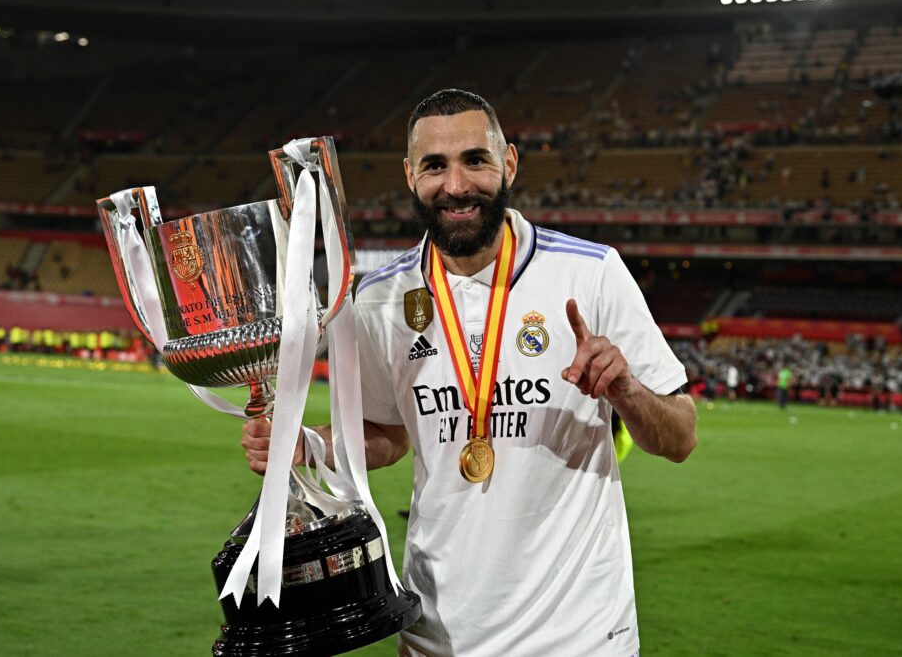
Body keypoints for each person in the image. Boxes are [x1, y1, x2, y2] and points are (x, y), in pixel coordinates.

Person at [242, 89, 697, 657]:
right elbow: (386, 435)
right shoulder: (382, 299)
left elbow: (680, 437)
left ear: (508, 162)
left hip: (580, 637)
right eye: (435, 165)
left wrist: (626, 388)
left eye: (474, 160)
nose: (456, 185)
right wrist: (306, 445)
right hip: (440, 636)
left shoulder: (592, 273)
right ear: (411, 176)